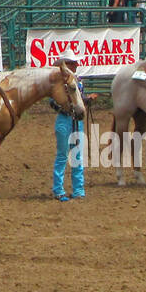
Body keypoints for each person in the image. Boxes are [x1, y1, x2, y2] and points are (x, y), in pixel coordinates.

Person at [52, 74, 86, 202]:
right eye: (71, 63)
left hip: (76, 120)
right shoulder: (59, 84)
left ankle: (78, 189)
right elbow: (53, 102)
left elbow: (80, 99)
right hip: (65, 119)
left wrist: (87, 100)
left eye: (74, 63)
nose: (74, 65)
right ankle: (59, 190)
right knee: (63, 154)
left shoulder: (79, 81)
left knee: (77, 156)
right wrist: (64, 107)